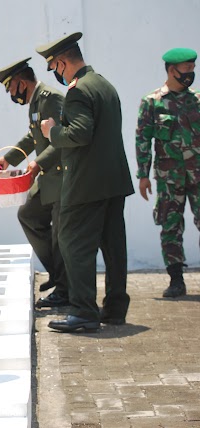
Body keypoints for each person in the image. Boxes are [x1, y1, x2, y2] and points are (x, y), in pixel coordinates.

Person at [36, 32, 135, 332]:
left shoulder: (79, 91)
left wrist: (52, 131)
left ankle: (84, 312)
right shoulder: (105, 85)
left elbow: (79, 133)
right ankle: (116, 308)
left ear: (63, 62)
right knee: (113, 246)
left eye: (55, 67)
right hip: (114, 182)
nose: (56, 73)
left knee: (73, 244)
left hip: (86, 185)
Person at [0, 58, 69, 308]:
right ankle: (57, 274)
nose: (11, 94)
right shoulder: (37, 101)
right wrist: (8, 159)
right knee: (28, 215)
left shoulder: (51, 98)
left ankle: (65, 290)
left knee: (60, 236)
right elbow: (33, 136)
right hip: (46, 176)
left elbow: (62, 138)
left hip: (59, 175)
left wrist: (37, 165)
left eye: (11, 88)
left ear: (21, 83)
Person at [135, 47, 199, 298]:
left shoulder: (197, 101)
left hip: (198, 174)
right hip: (169, 178)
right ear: (172, 70)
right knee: (171, 226)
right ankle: (176, 280)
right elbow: (143, 139)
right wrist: (143, 175)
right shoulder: (152, 102)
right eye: (187, 68)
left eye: (193, 68)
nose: (191, 73)